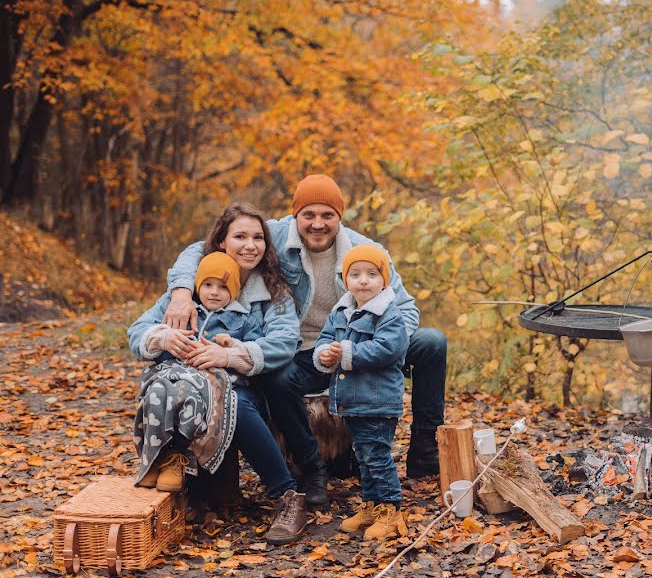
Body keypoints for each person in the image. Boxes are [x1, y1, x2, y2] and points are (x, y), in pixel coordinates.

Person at [163, 175, 447, 504]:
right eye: (308, 214)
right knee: (278, 378)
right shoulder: (275, 235)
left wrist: (371, 345)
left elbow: (406, 310)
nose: (317, 224)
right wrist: (182, 292)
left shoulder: (365, 252)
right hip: (302, 350)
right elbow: (201, 248)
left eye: (327, 215)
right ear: (295, 215)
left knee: (431, 343)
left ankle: (425, 454)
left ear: (340, 218)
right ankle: (310, 465)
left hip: (361, 343)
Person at [146, 204, 310, 545]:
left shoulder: (273, 290)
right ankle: (172, 472)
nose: (250, 245)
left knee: (236, 404)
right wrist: (164, 337)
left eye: (258, 237)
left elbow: (284, 340)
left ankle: (288, 496)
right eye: (240, 236)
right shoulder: (190, 286)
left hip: (241, 381)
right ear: (222, 241)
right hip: (188, 382)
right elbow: (139, 330)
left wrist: (230, 354)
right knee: (166, 390)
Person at [129, 251, 260, 493]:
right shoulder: (181, 309)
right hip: (171, 373)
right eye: (207, 285)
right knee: (157, 392)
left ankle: (177, 457)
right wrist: (163, 337)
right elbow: (136, 333)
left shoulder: (242, 319)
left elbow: (252, 352)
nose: (213, 292)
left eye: (222, 287)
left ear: (234, 291)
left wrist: (232, 348)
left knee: (187, 395)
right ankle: (156, 457)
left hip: (213, 379)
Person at [314, 245, 409, 540]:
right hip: (352, 401)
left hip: (378, 401)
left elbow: (387, 348)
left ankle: (391, 510)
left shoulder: (388, 315)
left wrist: (346, 351)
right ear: (346, 279)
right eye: (355, 274)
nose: (363, 280)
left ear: (384, 279)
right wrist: (325, 354)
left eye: (371, 274)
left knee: (378, 456)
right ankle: (371, 506)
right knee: (364, 456)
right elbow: (326, 340)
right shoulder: (340, 312)